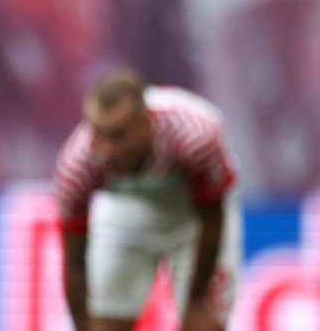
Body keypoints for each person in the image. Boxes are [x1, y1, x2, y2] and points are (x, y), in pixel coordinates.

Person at [53, 69, 239, 331]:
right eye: (99, 135)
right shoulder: (77, 166)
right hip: (125, 216)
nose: (106, 150)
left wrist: (196, 300)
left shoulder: (194, 135)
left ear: (146, 123)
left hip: (193, 219)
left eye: (118, 136)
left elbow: (211, 216)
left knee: (204, 325)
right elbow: (74, 260)